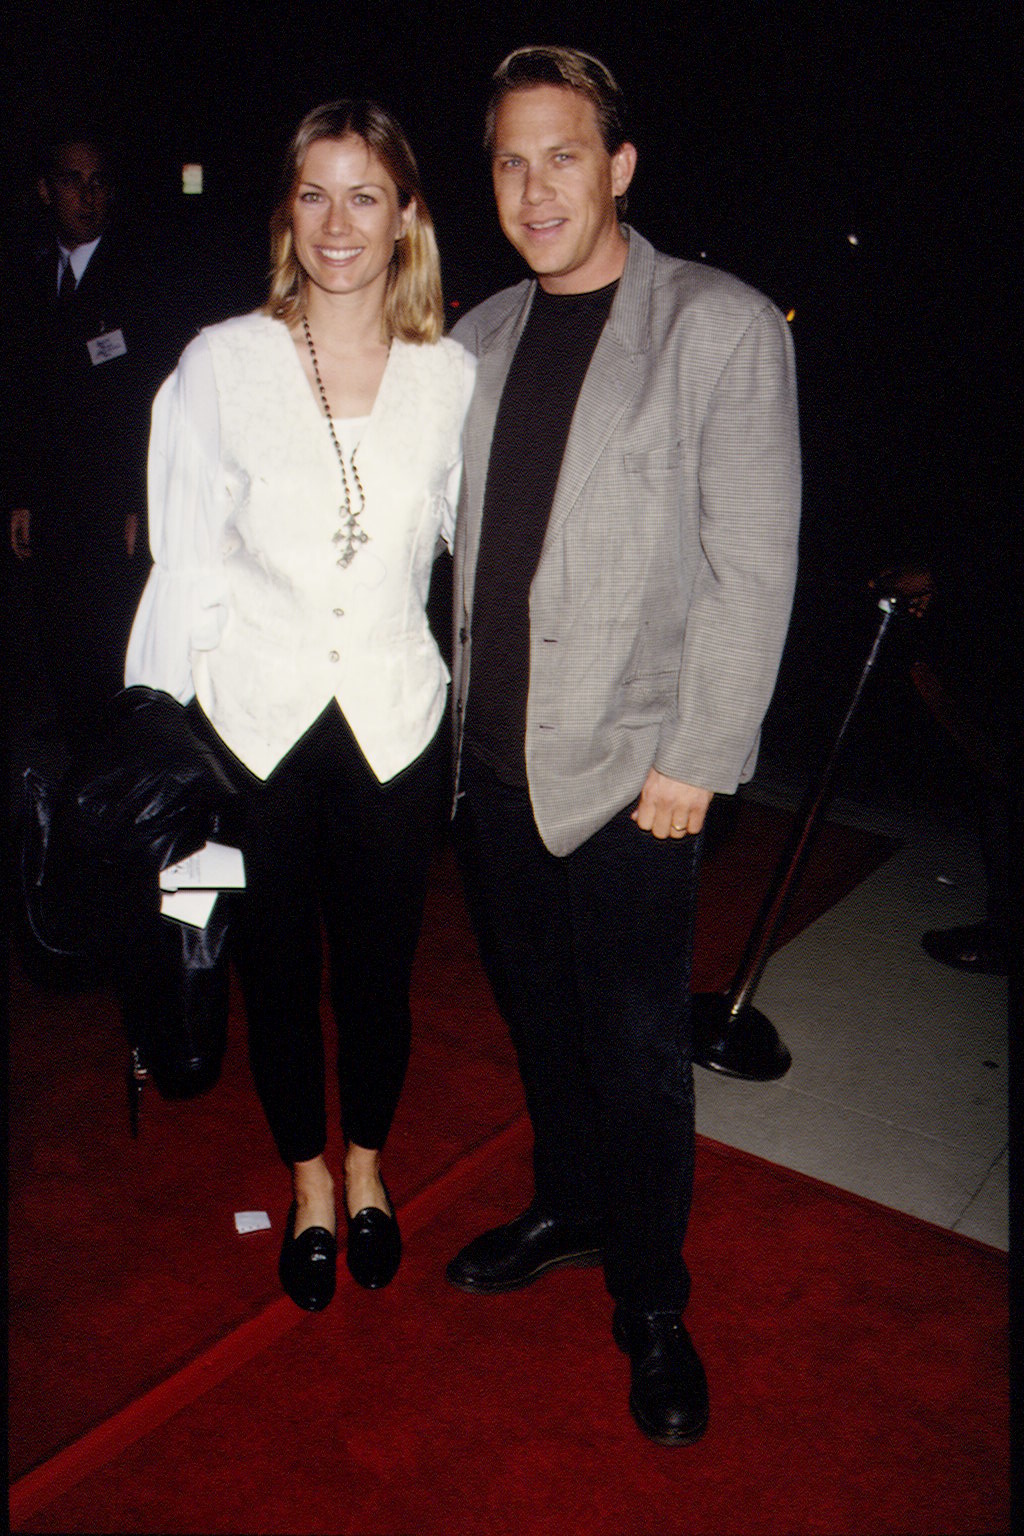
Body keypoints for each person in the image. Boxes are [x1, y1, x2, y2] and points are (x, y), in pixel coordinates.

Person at [446, 47, 800, 1445]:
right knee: (542, 1023)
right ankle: (570, 1208)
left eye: (563, 156)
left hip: (635, 772)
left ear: (620, 168)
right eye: (511, 162)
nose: (536, 189)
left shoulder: (714, 325)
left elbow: (752, 562)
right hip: (490, 760)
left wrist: (701, 757)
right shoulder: (471, 338)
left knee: (641, 1051)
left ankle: (652, 1299)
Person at [125, 100, 474, 1309]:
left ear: (405, 219)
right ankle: (310, 1180)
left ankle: (371, 1164)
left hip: (394, 720)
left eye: (365, 195)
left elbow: (464, 559)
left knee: (378, 975)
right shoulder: (223, 362)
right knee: (273, 971)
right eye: (314, 195)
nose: (338, 222)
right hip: (252, 724)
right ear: (286, 215)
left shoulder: (454, 377)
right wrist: (152, 738)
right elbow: (185, 562)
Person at [4, 133, 173, 750]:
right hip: (50, 506)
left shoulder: (141, 274)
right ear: (46, 191)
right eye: (73, 181)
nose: (88, 195)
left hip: (114, 511)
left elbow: (156, 396)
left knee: (113, 666)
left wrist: (141, 501)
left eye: (98, 181)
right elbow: (21, 393)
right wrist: (20, 493)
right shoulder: (28, 273)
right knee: (55, 657)